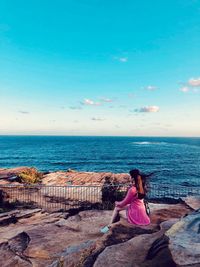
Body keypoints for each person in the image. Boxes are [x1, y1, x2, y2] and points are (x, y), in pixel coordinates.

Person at [100, 169, 151, 233]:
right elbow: (131, 201)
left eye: (130, 176)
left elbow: (123, 203)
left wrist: (117, 202)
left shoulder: (132, 189)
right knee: (120, 208)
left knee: (117, 208)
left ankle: (108, 227)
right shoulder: (142, 187)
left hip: (135, 214)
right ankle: (110, 226)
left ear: (132, 178)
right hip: (141, 213)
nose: (129, 177)